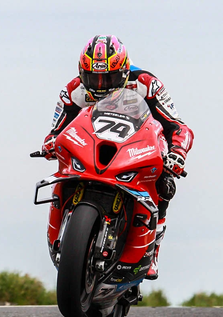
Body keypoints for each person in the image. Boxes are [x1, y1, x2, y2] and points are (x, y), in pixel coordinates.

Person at [41, 34, 194, 280]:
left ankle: (153, 249)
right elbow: (57, 129)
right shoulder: (73, 90)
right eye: (93, 78)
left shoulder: (146, 83)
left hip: (135, 146)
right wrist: (49, 143)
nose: (100, 85)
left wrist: (177, 152)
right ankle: (64, 229)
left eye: (108, 78)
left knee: (165, 183)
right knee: (62, 170)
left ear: (123, 71)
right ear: (82, 73)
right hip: (90, 147)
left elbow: (177, 126)